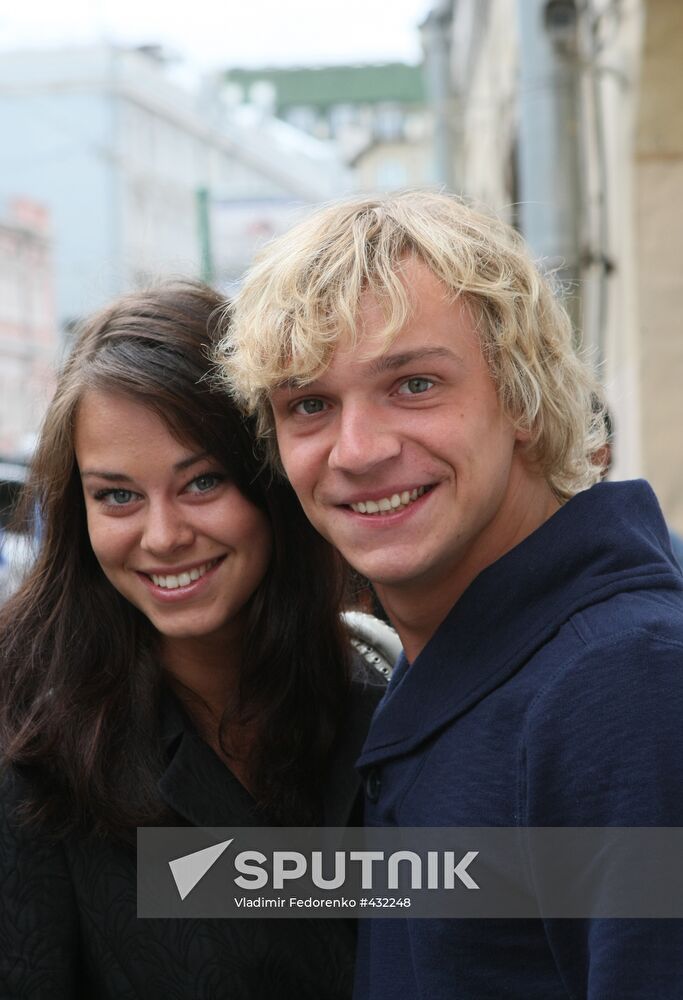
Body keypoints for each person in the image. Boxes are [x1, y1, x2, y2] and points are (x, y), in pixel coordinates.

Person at [219, 191, 683, 999]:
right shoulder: (463, 656)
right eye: (309, 405)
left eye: (413, 385)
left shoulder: (624, 682)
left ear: (522, 397)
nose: (356, 451)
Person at [0, 281, 389, 1000]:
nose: (163, 536)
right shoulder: (31, 750)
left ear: (269, 479)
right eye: (117, 495)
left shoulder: (383, 705)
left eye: (202, 482)